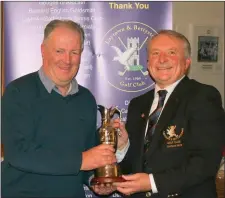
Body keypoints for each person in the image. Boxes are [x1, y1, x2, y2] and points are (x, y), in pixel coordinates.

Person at [1, 19, 117, 198]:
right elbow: (18, 153)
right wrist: (81, 161)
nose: (67, 60)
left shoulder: (86, 99)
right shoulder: (18, 92)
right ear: (43, 51)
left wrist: (95, 179)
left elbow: (87, 155)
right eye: (59, 51)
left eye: (74, 52)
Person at [110, 30, 225, 198]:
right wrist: (122, 147)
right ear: (148, 63)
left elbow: (205, 162)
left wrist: (152, 182)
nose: (162, 59)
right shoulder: (138, 104)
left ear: (186, 62)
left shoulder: (203, 97)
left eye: (171, 52)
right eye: (155, 53)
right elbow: (135, 167)